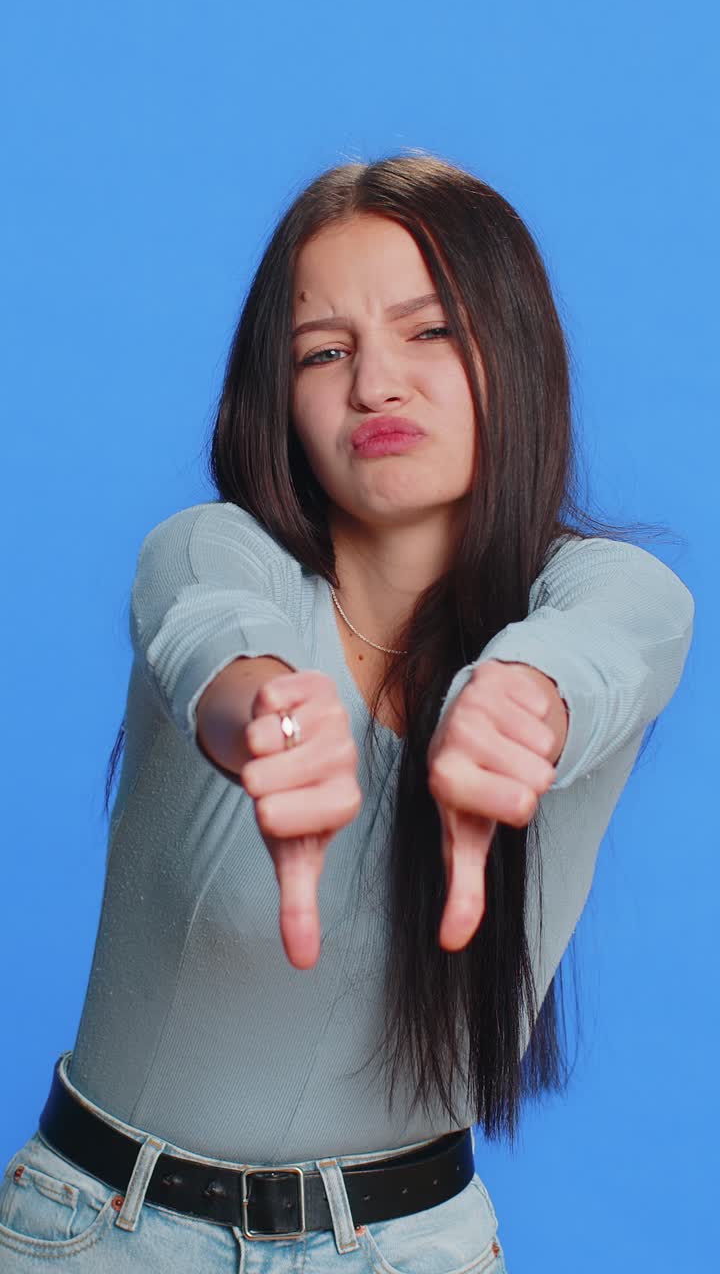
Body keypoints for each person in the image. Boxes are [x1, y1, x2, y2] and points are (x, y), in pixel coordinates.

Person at [0, 153, 694, 1272]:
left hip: (414, 1247)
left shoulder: (615, 597)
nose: (376, 383)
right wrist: (266, 724)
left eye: (429, 331)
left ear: (515, 351)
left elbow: (604, 642)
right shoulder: (208, 548)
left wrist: (517, 702)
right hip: (100, 1238)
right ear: (277, 396)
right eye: (324, 350)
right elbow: (210, 633)